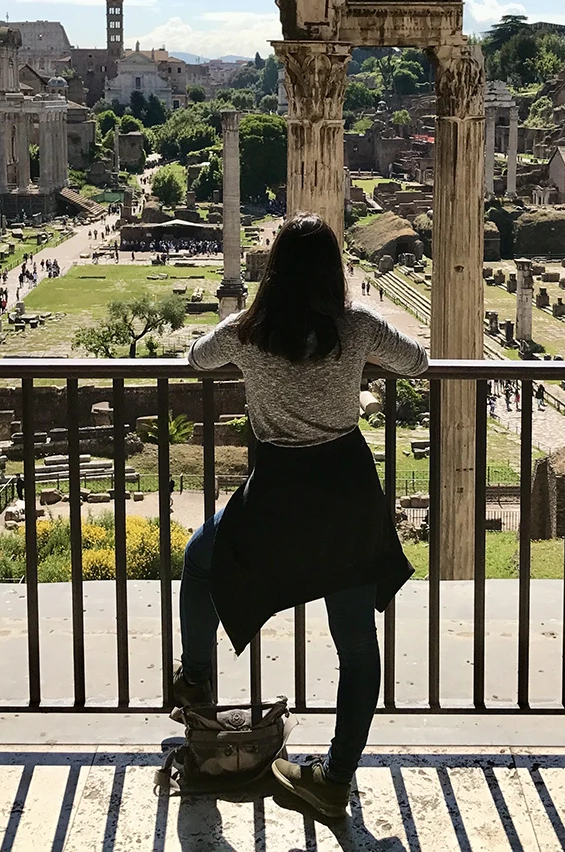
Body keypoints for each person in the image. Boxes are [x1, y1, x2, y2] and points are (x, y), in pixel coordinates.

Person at [175, 213, 426, 819]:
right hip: (345, 491)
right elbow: (417, 361)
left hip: (279, 493)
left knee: (200, 561)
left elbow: (195, 360)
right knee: (357, 645)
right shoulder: (358, 326)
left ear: (276, 269)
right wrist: (359, 360)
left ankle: (200, 685)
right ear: (333, 270)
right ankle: (335, 778)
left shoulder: (248, 331)